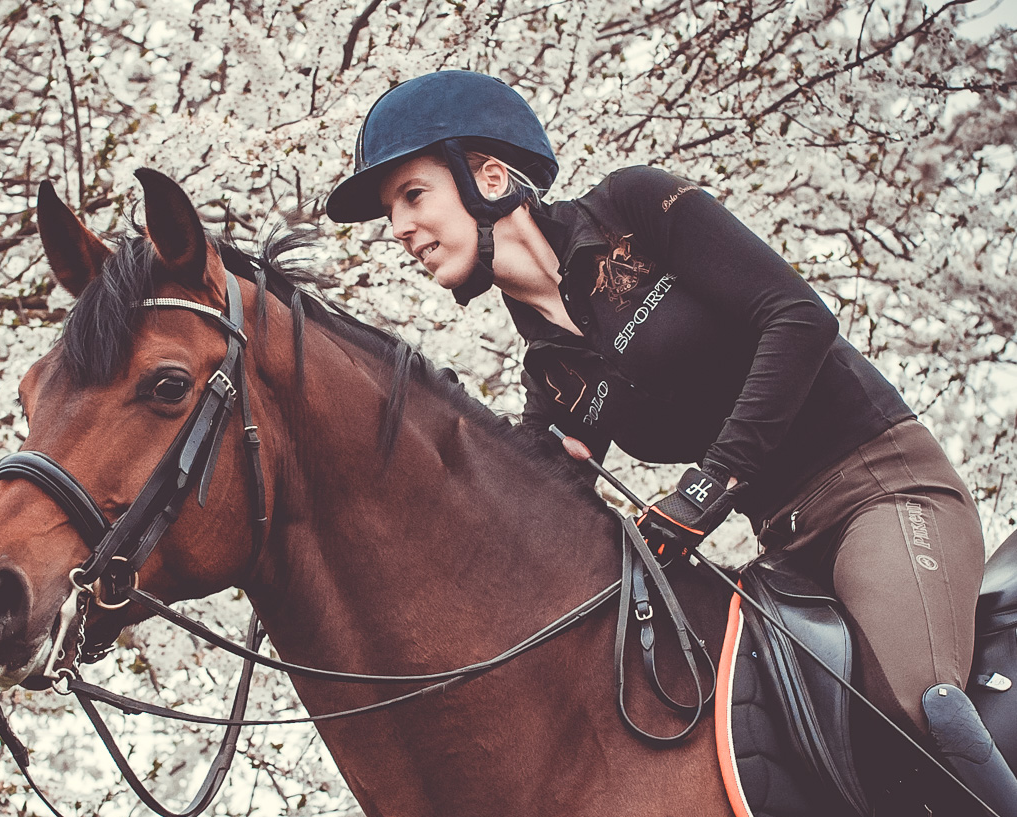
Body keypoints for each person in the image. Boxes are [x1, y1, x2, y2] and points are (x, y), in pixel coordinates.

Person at [324, 70, 1004, 772]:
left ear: (490, 179)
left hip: (881, 489)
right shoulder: (552, 375)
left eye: (412, 196)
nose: (400, 231)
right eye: (390, 214)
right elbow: (523, 507)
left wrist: (704, 491)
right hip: (785, 550)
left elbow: (799, 319)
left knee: (912, 708)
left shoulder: (636, 207)